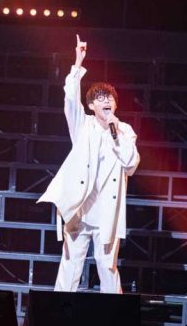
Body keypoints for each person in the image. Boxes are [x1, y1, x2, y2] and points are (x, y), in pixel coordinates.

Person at [38, 34, 140, 294]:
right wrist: (77, 64)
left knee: (107, 267)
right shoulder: (82, 125)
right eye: (100, 98)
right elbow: (70, 100)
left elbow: (130, 164)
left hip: (107, 211)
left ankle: (114, 314)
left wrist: (116, 134)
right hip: (80, 208)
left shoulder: (124, 130)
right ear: (92, 105)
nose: (106, 101)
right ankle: (59, 310)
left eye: (110, 98)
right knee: (71, 264)